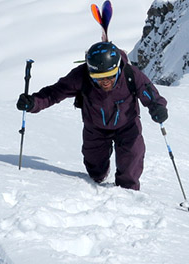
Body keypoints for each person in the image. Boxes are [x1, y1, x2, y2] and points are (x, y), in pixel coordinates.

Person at [16, 41, 168, 190]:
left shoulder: (131, 74)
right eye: (98, 77)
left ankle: (128, 195)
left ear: (117, 69)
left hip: (127, 127)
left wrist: (158, 108)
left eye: (110, 76)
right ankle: (100, 175)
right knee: (95, 171)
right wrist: (33, 102)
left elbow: (150, 94)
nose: (105, 82)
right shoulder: (81, 75)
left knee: (131, 162)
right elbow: (55, 92)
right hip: (95, 128)